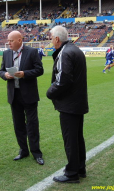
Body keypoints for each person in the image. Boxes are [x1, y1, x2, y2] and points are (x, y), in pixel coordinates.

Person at [46, 26, 89, 183]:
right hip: (77, 102)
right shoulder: (75, 50)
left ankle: (72, 173)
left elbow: (63, 79)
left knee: (70, 139)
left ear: (57, 39)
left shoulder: (65, 52)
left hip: (69, 104)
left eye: (51, 37)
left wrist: (50, 92)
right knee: (77, 138)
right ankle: (80, 168)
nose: (50, 40)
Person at [0, 31, 44, 165]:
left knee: (32, 124)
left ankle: (36, 152)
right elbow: (1, 70)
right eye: (8, 41)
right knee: (18, 124)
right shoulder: (7, 53)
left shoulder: (32, 52)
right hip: (14, 95)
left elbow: (39, 70)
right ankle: (23, 150)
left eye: (11, 41)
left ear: (19, 40)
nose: (9, 43)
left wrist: (24, 74)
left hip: (29, 94)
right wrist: (5, 75)